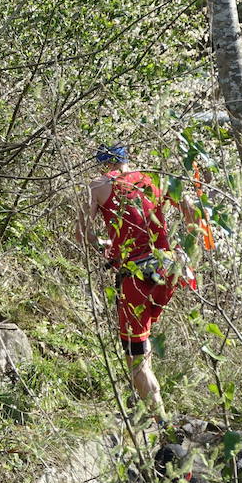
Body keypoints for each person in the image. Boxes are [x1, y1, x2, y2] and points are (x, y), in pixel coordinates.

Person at [80, 145, 200, 425]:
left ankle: (163, 425)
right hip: (168, 269)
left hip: (135, 276)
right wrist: (186, 250)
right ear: (127, 160)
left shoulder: (98, 186)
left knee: (136, 360)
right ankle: (148, 406)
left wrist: (104, 246)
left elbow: (83, 233)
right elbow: (193, 212)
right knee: (143, 343)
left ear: (102, 165)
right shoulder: (154, 178)